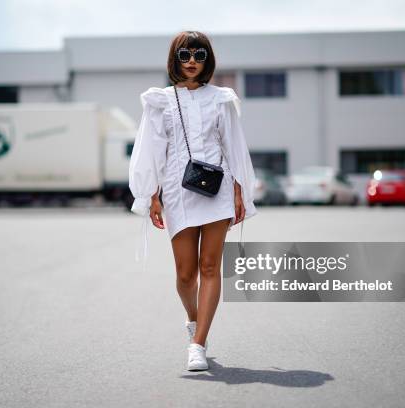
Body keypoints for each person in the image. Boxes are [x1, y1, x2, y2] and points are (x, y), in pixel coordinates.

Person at [128, 30, 258, 371]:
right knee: (186, 275)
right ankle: (193, 318)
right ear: (175, 57)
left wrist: (240, 189)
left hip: (218, 187)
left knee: (211, 267)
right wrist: (151, 195)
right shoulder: (161, 100)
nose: (191, 62)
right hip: (176, 188)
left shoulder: (222, 99)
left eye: (199, 56)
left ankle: (198, 344)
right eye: (185, 55)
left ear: (207, 60)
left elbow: (234, 145)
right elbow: (151, 149)